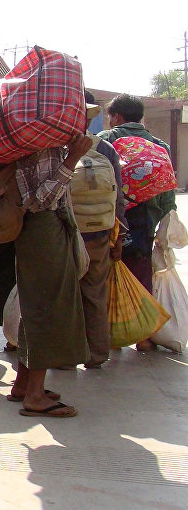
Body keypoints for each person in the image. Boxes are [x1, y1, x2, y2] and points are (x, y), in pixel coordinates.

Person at [9, 134, 94, 418]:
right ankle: (34, 395)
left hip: (41, 230)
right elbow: (40, 200)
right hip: (43, 229)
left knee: (34, 305)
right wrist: (72, 159)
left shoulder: (29, 139)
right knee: (48, 306)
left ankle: (24, 384)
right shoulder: (37, 142)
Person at [97, 93, 177, 351]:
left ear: (116, 117)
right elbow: (167, 188)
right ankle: (142, 337)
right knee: (141, 272)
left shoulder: (105, 141)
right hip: (145, 218)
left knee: (107, 274)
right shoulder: (159, 146)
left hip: (109, 217)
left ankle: (110, 334)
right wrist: (164, 216)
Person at [65, 95, 126, 368]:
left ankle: (64, 356)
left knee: (64, 293)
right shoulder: (106, 149)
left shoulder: (57, 146)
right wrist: (119, 236)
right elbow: (119, 198)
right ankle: (97, 354)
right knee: (94, 292)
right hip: (99, 231)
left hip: (66, 229)